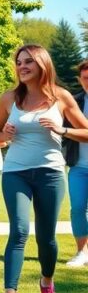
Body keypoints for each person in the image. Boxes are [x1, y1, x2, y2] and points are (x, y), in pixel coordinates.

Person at [0, 45, 88, 293]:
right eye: (19, 62)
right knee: (19, 231)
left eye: (28, 61)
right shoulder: (9, 98)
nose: (22, 66)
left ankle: (47, 282)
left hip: (50, 174)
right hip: (15, 172)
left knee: (46, 238)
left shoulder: (61, 96)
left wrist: (62, 129)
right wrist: (4, 134)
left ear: (42, 64)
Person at [63, 59, 88, 267]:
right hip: (78, 166)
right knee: (77, 208)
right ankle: (82, 252)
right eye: (86, 78)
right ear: (80, 80)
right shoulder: (74, 102)